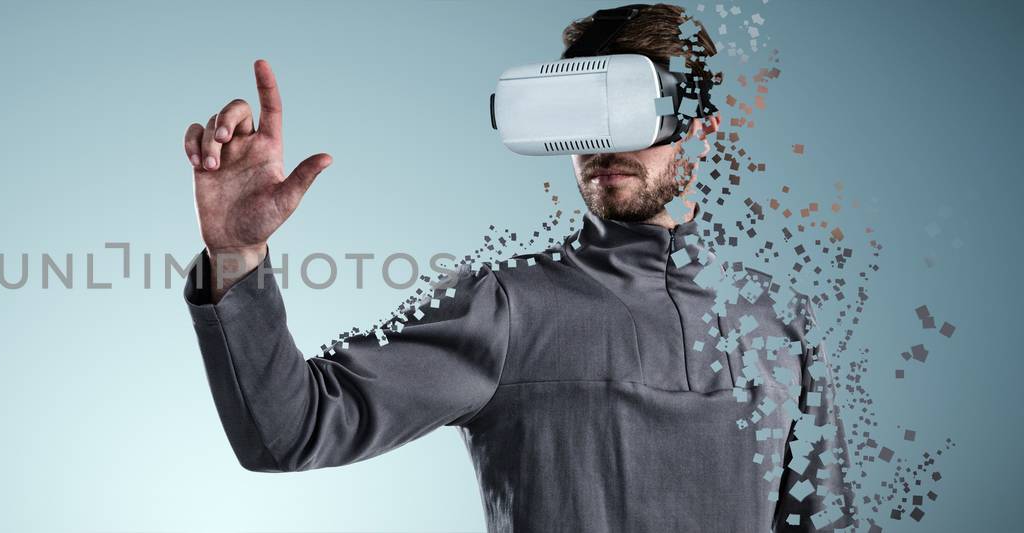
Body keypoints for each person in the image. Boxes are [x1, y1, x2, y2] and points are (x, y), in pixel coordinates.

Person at [179, 4, 854, 532]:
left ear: (700, 125)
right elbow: (289, 430)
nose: (603, 143)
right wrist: (237, 255)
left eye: (625, 110)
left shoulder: (780, 323)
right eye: (577, 115)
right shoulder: (503, 308)